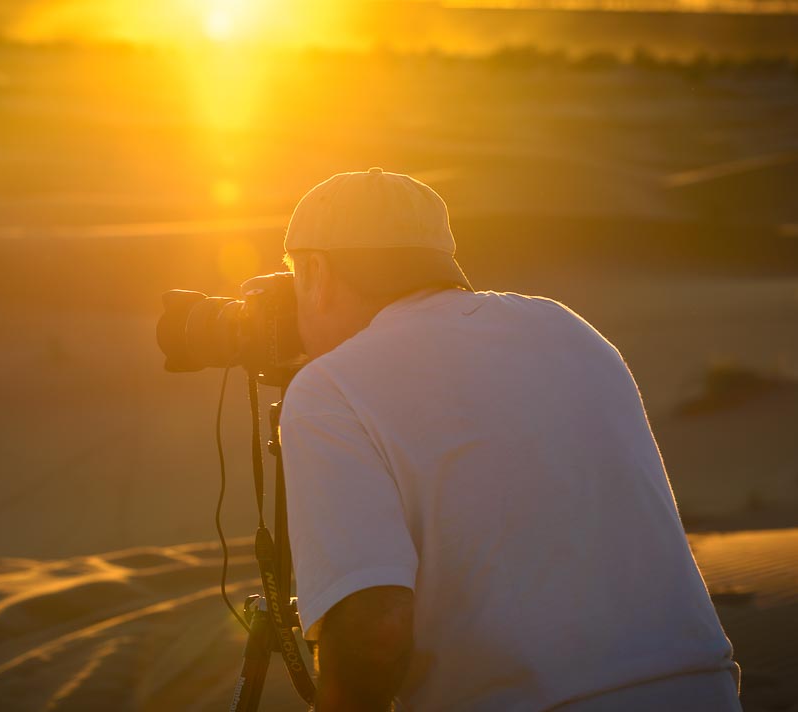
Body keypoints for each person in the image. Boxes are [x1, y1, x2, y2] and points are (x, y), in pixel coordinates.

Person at [278, 168, 740, 711]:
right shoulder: (568, 328)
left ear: (315, 271)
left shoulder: (331, 386)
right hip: (699, 692)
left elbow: (374, 631)